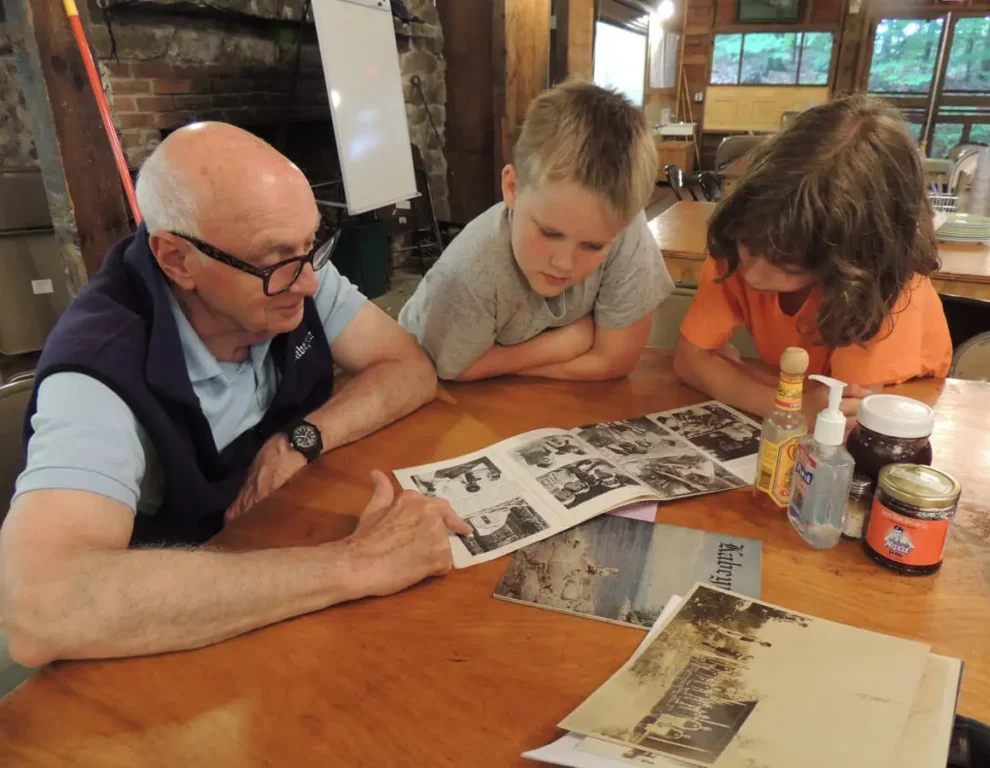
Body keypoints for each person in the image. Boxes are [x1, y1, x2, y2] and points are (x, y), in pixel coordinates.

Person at [0, 123, 471, 666]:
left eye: (312, 243)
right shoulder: (99, 371)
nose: (310, 283)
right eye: (277, 259)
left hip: (286, 547)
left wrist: (298, 441)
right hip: (171, 640)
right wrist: (358, 563)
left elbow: (409, 368)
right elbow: (42, 608)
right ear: (177, 260)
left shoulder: (291, 272)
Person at [673, 96, 952, 423]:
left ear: (852, 257)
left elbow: (841, 412)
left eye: (790, 267)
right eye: (750, 246)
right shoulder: (747, 234)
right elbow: (689, 361)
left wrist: (739, 379)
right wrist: (790, 407)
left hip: (905, 403)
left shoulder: (883, 285)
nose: (754, 275)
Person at [398, 81, 674, 381]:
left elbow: (615, 360)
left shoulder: (621, 222)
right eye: (550, 233)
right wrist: (566, 343)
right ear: (512, 188)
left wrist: (510, 361)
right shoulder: (467, 271)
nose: (564, 263)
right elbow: (451, 369)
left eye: (593, 246)